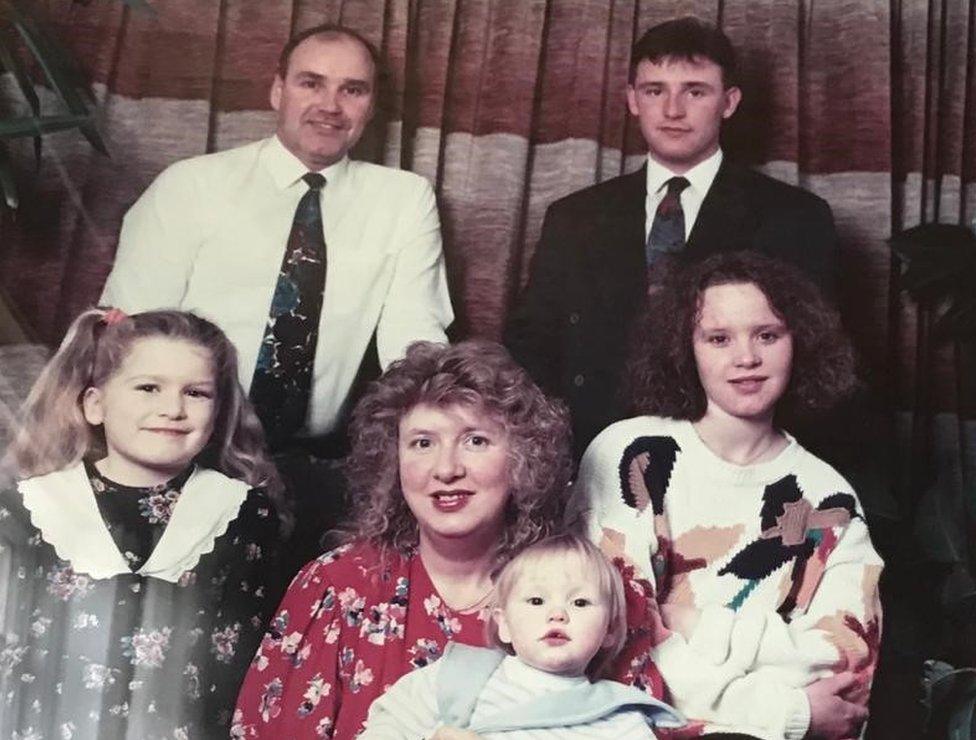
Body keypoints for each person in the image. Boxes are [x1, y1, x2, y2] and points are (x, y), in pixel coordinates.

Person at [100, 23, 453, 561]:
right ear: (277, 90)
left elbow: (414, 344)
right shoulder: (190, 187)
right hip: (187, 453)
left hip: (311, 468)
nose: (329, 106)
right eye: (311, 83)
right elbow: (129, 341)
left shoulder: (403, 201)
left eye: (352, 90)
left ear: (371, 105)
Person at [573, 252, 882, 739]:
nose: (746, 359)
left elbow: (845, 671)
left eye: (767, 335)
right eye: (718, 338)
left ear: (798, 342)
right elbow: (608, 644)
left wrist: (690, 623)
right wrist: (788, 713)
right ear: (685, 349)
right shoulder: (631, 456)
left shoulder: (830, 498)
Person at [504, 17, 839, 457]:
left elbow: (813, 362)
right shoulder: (574, 216)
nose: (673, 110)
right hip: (589, 456)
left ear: (729, 102)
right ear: (632, 100)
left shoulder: (794, 217)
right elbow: (532, 347)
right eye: (655, 90)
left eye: (695, 91)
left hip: (729, 459)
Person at [231, 340, 576, 738]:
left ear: (524, 456)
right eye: (422, 443)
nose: (446, 469)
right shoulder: (336, 587)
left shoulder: (579, 590)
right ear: (392, 460)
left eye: (475, 440)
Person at [0, 308, 286, 739]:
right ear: (95, 404)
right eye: (149, 387)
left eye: (196, 393)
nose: (172, 408)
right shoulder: (28, 509)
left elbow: (249, 660)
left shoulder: (241, 514)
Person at [359, 533, 684, 739]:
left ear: (610, 631)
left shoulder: (619, 720)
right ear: (504, 625)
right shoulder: (457, 676)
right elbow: (387, 726)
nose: (557, 614)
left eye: (580, 602)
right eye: (536, 601)